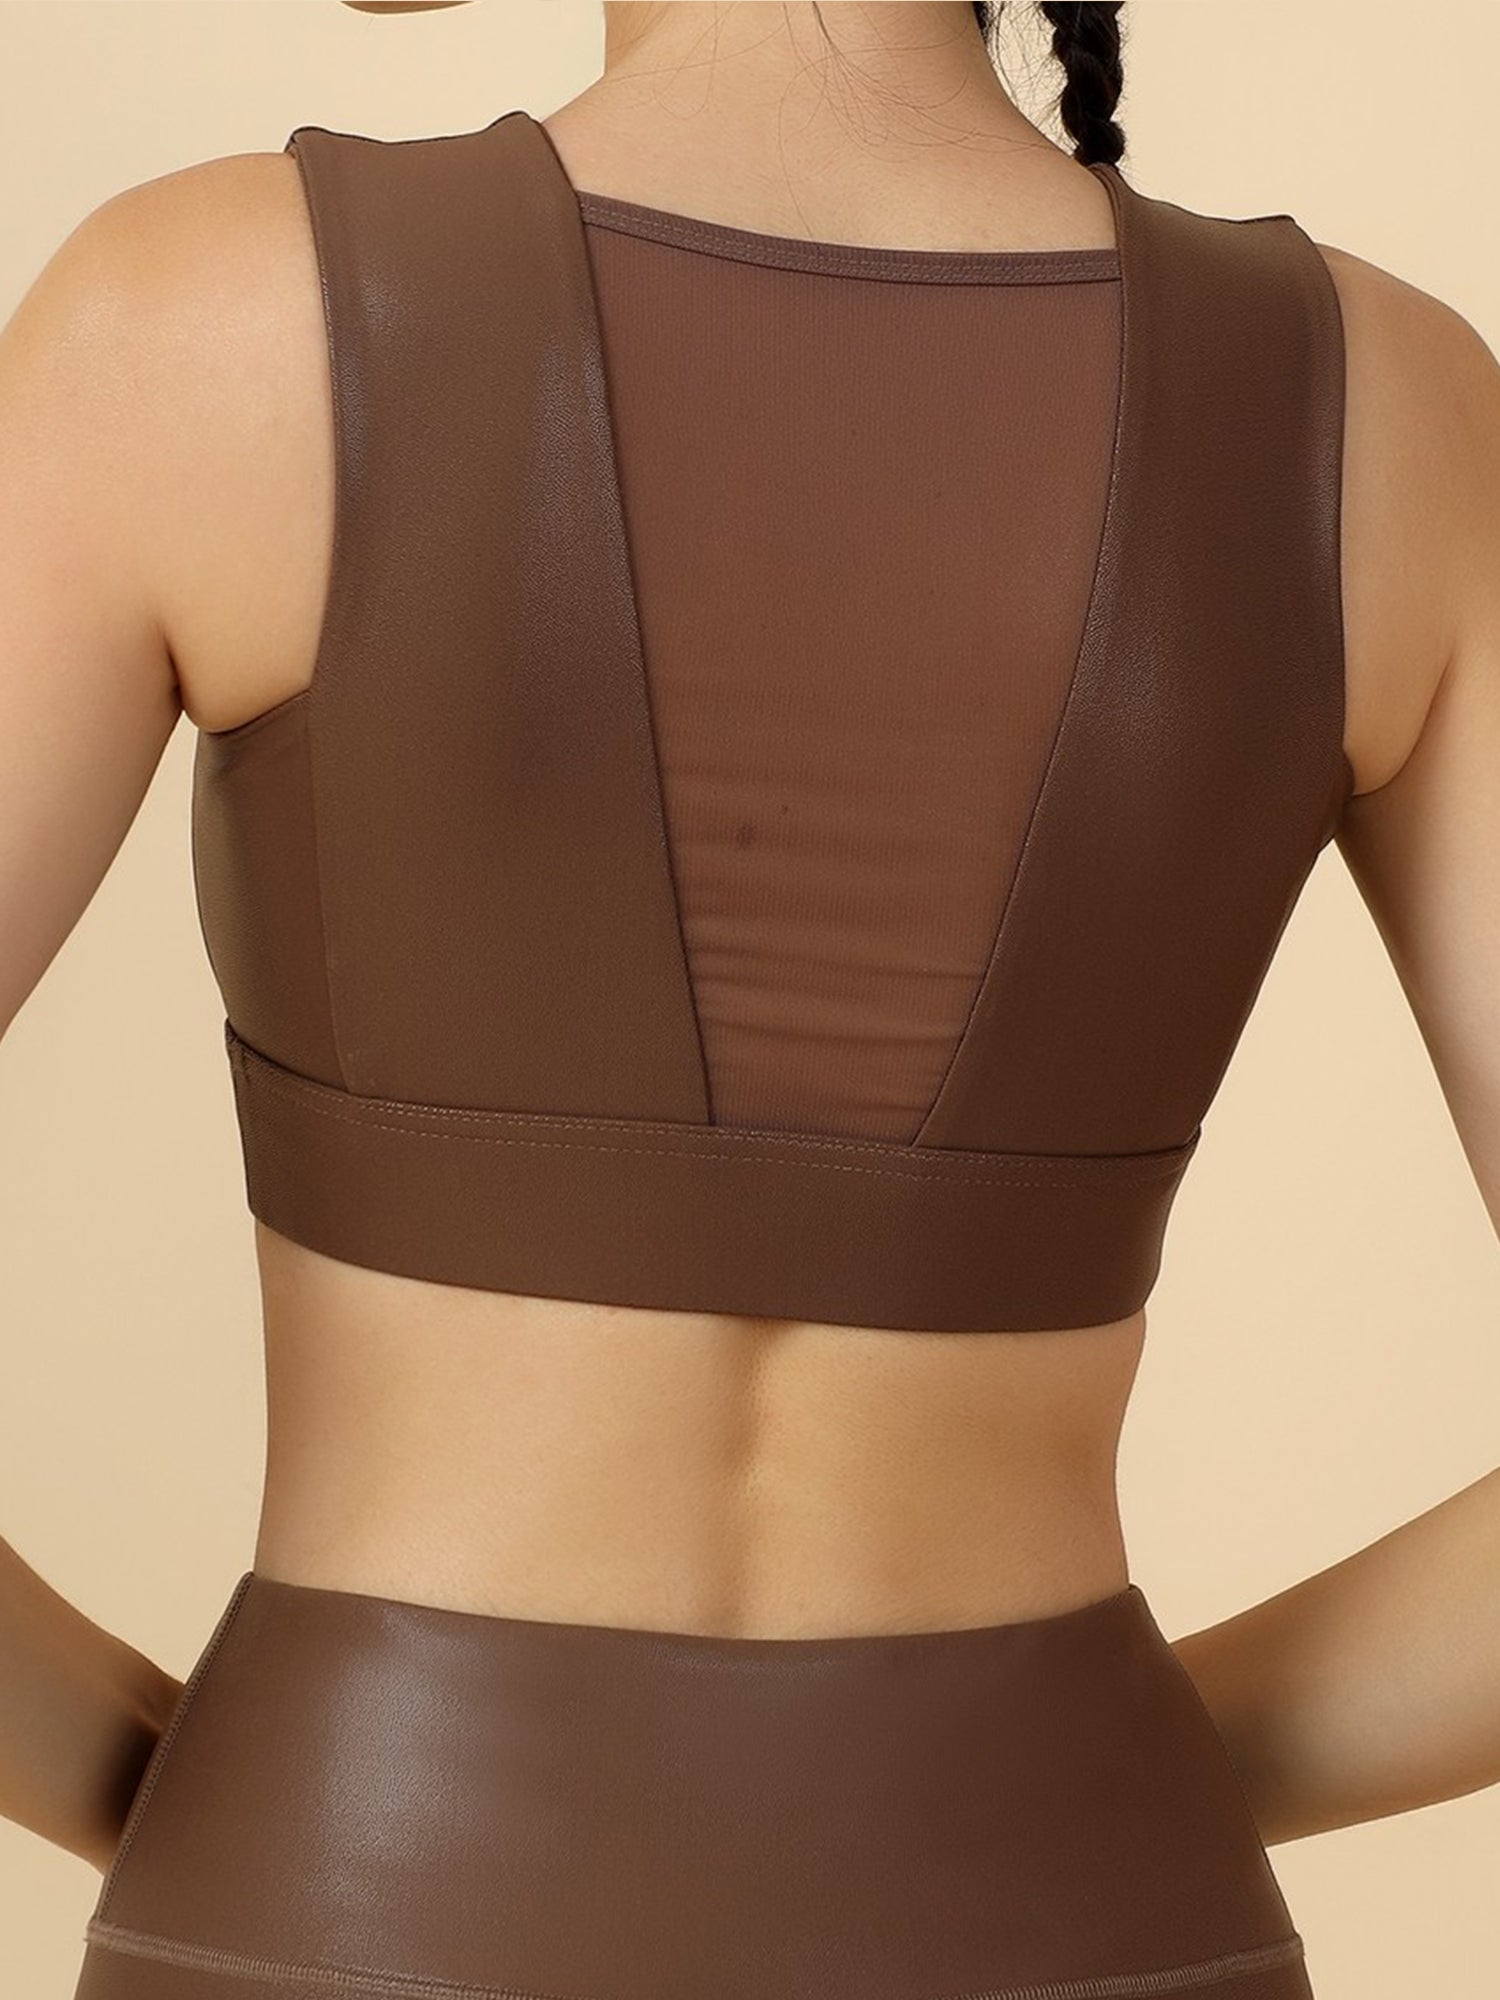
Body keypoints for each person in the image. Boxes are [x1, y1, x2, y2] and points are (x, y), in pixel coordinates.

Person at [1, 3, 1497, 1995]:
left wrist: (181, 1783)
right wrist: (1102, 1780)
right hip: (1101, 1920)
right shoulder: (1385, 418)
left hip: (349, 1915)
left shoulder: (196, 327)